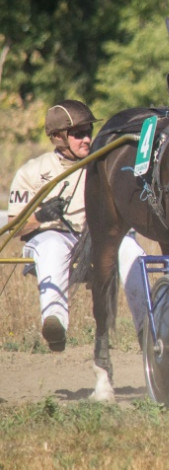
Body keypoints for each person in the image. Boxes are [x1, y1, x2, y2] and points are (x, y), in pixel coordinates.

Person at [7, 100, 147, 352]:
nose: (86, 139)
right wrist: (41, 216)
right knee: (52, 245)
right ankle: (55, 323)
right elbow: (15, 227)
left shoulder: (106, 163)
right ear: (57, 137)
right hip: (53, 238)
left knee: (131, 249)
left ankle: (148, 328)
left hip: (97, 239)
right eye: (78, 134)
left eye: (88, 132)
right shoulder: (32, 172)